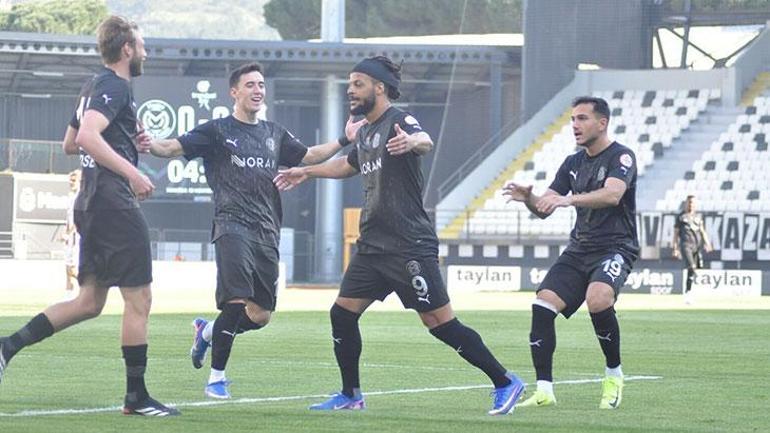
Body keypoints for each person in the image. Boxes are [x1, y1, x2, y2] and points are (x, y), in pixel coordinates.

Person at [273, 56, 525, 416]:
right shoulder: (366, 131)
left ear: (379, 86)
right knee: (342, 314)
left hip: (409, 245)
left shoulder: (398, 120)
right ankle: (351, 395)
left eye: (358, 83)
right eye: (349, 84)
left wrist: (413, 143)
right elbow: (347, 164)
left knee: (439, 323)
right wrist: (307, 171)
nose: (351, 90)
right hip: (373, 246)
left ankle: (504, 381)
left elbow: (424, 140)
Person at [142, 62, 362, 400]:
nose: (258, 90)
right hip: (231, 224)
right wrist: (149, 143)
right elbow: (171, 148)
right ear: (234, 92)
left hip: (267, 229)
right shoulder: (216, 131)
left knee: (260, 315)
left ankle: (207, 331)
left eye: (260, 85)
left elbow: (308, 155)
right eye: (250, 85)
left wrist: (344, 139)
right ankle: (216, 378)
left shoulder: (274, 133)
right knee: (236, 299)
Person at [0, 16, 179, 417]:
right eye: (142, 44)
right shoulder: (114, 85)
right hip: (113, 203)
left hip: (92, 202)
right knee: (140, 299)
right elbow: (84, 138)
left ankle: (6, 346)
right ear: (127, 49)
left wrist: (128, 143)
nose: (146, 51)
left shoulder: (94, 85)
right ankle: (136, 398)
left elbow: (69, 142)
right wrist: (133, 172)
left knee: (88, 302)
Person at [502, 96, 638, 410]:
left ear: (601, 123)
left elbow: (613, 194)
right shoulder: (572, 163)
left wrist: (569, 200)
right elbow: (546, 208)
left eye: (582, 119)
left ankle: (613, 375)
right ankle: (544, 391)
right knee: (542, 304)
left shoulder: (622, 156)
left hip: (616, 247)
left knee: (599, 298)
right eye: (573, 119)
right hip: (579, 250)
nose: (575, 125)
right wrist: (530, 198)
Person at [673, 195, 712, 303]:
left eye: (693, 202)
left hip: (697, 246)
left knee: (693, 270)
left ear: (695, 204)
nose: (691, 204)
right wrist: (675, 248)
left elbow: (702, 231)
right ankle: (693, 290)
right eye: (689, 202)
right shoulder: (681, 217)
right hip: (686, 245)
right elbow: (676, 234)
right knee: (692, 266)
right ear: (686, 203)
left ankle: (688, 292)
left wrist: (707, 243)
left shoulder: (698, 217)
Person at [61, 169, 81, 293]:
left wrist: (68, 234)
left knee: (72, 270)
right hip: (69, 238)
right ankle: (68, 297)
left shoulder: (80, 197)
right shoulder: (71, 196)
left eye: (74, 180)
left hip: (76, 237)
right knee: (67, 269)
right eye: (70, 180)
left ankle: (93, 288)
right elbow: (68, 218)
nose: (71, 182)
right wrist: (64, 231)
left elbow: (78, 219)